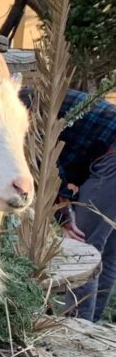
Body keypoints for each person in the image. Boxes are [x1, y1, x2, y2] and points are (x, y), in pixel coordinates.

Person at [46, 89, 116, 321]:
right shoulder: (39, 95)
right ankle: (89, 326)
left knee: (84, 244)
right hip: (107, 154)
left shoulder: (19, 109)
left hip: (112, 160)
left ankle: (77, 326)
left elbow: (47, 165)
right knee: (107, 250)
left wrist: (64, 217)